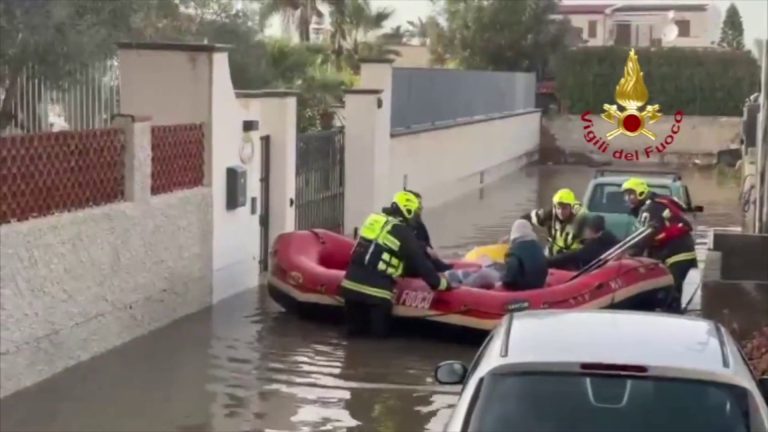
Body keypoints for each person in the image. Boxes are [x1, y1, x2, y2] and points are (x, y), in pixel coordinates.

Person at [340, 190, 452, 338]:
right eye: (417, 211)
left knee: (353, 337)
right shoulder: (402, 231)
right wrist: (443, 284)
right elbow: (420, 264)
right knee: (377, 340)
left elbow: (376, 251)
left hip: (350, 287)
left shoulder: (374, 219)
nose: (418, 216)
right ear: (408, 210)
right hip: (377, 294)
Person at [621, 177, 697, 312]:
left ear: (640, 193)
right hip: (677, 251)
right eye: (626, 195)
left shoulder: (650, 209)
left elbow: (643, 238)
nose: (628, 199)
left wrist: (628, 256)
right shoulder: (652, 205)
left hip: (677, 253)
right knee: (672, 289)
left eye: (631, 194)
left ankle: (673, 317)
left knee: (672, 290)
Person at [520, 188, 588, 257]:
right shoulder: (549, 214)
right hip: (553, 254)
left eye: (564, 208)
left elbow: (588, 247)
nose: (561, 212)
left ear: (571, 208)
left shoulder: (581, 220)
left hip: (573, 258)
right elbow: (527, 218)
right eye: (558, 208)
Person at [547, 214, 620, 271]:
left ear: (590, 229)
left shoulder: (594, 245)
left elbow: (573, 256)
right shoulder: (610, 240)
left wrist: (548, 262)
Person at [406, 189, 453, 272]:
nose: (421, 207)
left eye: (421, 204)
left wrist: (441, 265)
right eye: (418, 204)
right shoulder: (401, 226)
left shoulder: (419, 224)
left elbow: (429, 246)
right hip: (411, 268)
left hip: (425, 264)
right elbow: (406, 244)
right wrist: (425, 248)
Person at [501, 220, 548, 290]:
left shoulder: (513, 251)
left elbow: (512, 269)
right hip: (540, 284)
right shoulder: (538, 247)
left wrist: (504, 281)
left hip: (523, 287)